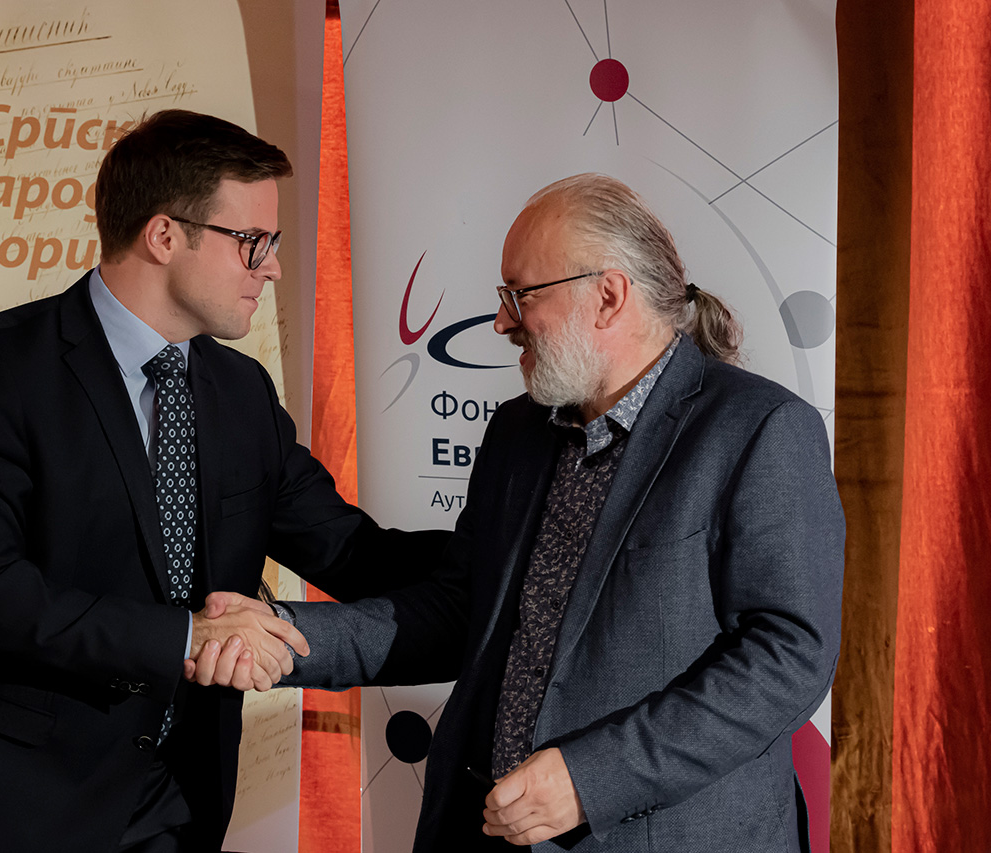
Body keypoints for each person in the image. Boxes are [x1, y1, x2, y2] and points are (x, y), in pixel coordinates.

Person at [198, 174, 844, 852]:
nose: (502, 322)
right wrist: (283, 636)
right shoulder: (518, 430)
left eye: (520, 294)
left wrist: (592, 779)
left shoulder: (760, 428)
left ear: (608, 296)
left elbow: (789, 656)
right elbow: (458, 611)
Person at [0, 109, 446, 852]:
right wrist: (187, 636)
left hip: (177, 804)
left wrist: (525, 553)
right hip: (6, 806)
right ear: (165, 236)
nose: (271, 267)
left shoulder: (243, 392)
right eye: (253, 242)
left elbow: (355, 553)